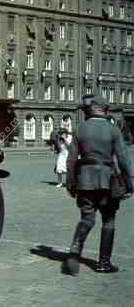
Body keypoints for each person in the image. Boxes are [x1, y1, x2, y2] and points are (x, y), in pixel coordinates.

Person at [62, 96, 133, 275]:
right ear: (104, 110)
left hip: (84, 181)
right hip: (107, 181)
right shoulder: (113, 130)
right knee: (108, 219)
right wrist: (130, 184)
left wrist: (70, 184)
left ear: (92, 110)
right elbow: (124, 160)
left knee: (87, 218)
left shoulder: (80, 129)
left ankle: (74, 253)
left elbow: (71, 161)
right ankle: (103, 263)